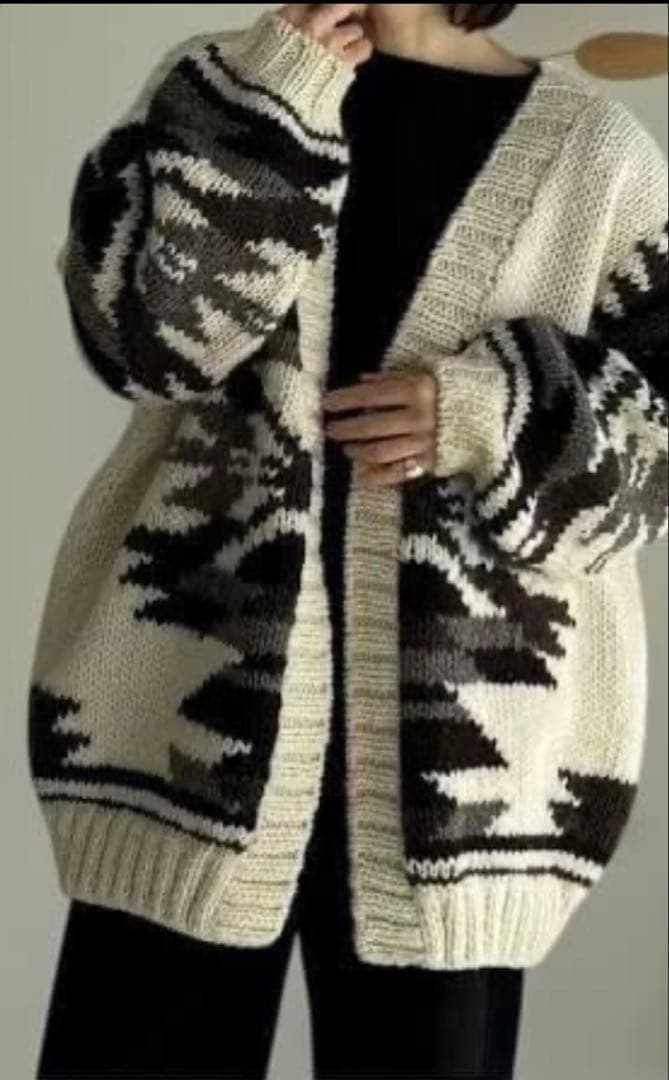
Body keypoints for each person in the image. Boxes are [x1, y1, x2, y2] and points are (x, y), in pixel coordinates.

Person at [29, 4, 667, 1079]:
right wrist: (272, 107)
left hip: (465, 788)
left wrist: (492, 412)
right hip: (185, 729)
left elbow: (658, 457)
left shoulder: (600, 157)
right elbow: (141, 347)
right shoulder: (223, 82)